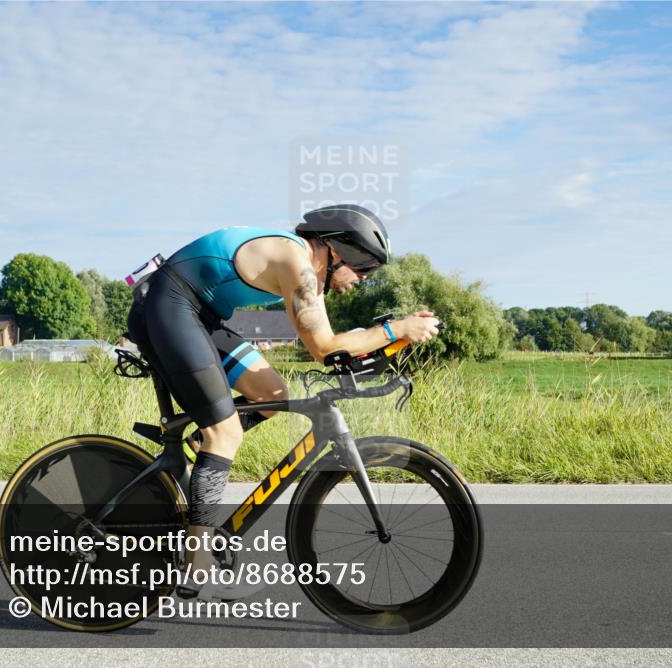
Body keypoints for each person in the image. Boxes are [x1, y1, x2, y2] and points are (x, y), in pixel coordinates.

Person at [126, 203, 439, 599]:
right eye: (363, 269)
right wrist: (396, 329)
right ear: (339, 250)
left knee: (273, 396)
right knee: (224, 434)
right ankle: (196, 559)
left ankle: (200, 447)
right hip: (169, 307)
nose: (362, 280)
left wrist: (395, 334)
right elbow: (324, 348)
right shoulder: (298, 265)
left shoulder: (304, 266)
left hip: (200, 316)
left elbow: (335, 346)